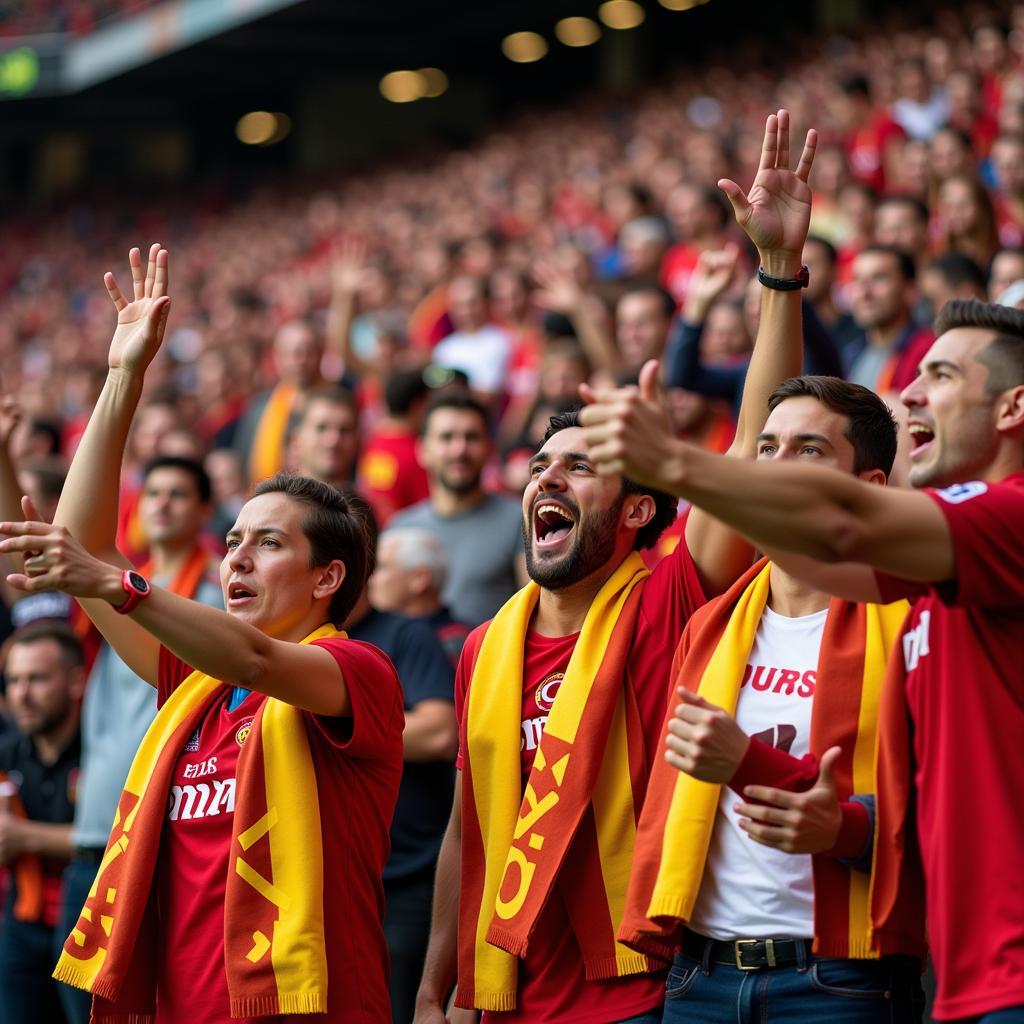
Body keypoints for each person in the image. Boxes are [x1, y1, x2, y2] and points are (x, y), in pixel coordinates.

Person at [412, 108, 816, 1024]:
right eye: (540, 467)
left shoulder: (670, 595)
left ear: (639, 511)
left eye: (580, 466)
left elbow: (756, 448)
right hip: (506, 996)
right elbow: (468, 833)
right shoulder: (484, 648)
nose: (547, 478)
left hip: (640, 993)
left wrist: (779, 275)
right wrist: (439, 985)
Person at [578, 296, 1024, 1023]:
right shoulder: (729, 618)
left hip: (851, 979)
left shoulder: (981, 541)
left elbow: (837, 528)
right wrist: (775, 281)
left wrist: (675, 465)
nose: (910, 392)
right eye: (765, 452)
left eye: (939, 374)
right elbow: (819, 543)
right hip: (713, 974)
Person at [1, 245, 404, 1024]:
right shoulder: (198, 688)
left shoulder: (358, 673)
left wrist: (118, 583)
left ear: (328, 579)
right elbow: (85, 538)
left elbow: (249, 650)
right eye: (232, 543)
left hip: (306, 1009)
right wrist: (123, 376)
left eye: (269, 543)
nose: (237, 558)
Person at [55, 453, 224, 1024]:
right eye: (152, 492)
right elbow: (52, 550)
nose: (162, 503)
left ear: (204, 509)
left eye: (179, 493)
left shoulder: (221, 595)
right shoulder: (124, 578)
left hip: (164, 846)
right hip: (94, 843)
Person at [346, 517, 458, 1024]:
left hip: (407, 874)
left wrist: (340, 725)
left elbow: (438, 733)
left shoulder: (403, 633)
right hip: (338, 877)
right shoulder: (304, 644)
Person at [0, 621, 85, 1024]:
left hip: (91, 926)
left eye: (36, 679)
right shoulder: (6, 753)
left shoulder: (103, 750)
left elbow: (116, 838)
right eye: (14, 680)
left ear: (75, 682)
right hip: (22, 922)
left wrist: (24, 837)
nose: (22, 694)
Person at [389, 393, 524, 628]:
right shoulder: (399, 528)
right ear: (423, 450)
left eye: (471, 437)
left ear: (489, 448)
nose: (459, 449)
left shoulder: (520, 520)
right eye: (446, 437)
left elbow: (538, 612)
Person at [234, 319, 327, 484]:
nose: (301, 360)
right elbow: (243, 465)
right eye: (293, 353)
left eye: (309, 352)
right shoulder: (259, 409)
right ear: (277, 358)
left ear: (321, 354)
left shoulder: (339, 405)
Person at [369, 526, 472, 668]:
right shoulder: (376, 632)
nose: (370, 579)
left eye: (380, 567)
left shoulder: (460, 645)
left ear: (419, 578)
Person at [842, 245, 934, 395]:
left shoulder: (928, 352)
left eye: (878, 278)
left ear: (910, 290)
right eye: (857, 280)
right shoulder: (851, 353)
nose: (864, 292)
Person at [288, 385, 361, 491]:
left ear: (357, 441)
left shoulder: (372, 507)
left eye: (344, 430)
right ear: (297, 439)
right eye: (321, 428)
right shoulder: (271, 505)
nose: (333, 440)